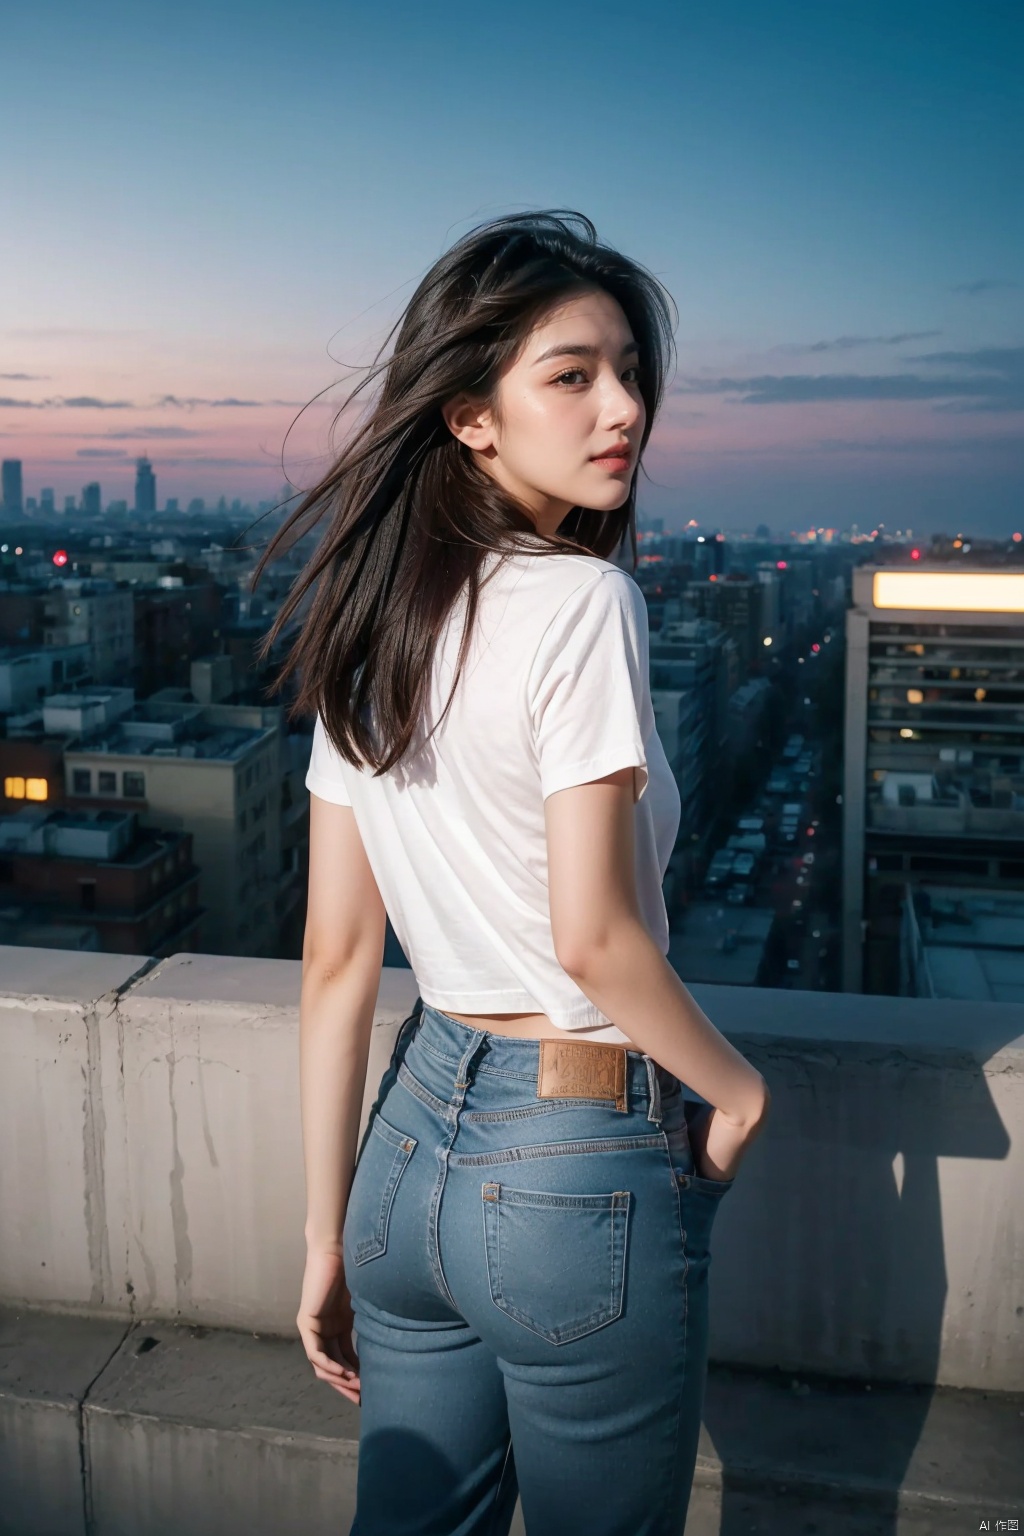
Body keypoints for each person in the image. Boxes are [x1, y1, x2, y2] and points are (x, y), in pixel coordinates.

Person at [253, 210, 770, 1535]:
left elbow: (334, 960)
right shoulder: (582, 601)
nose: (625, 408)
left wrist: (325, 1238)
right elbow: (594, 939)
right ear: (471, 416)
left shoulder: (364, 617)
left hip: (403, 1158)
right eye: (573, 374)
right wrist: (735, 1088)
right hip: (573, 1154)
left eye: (630, 373)